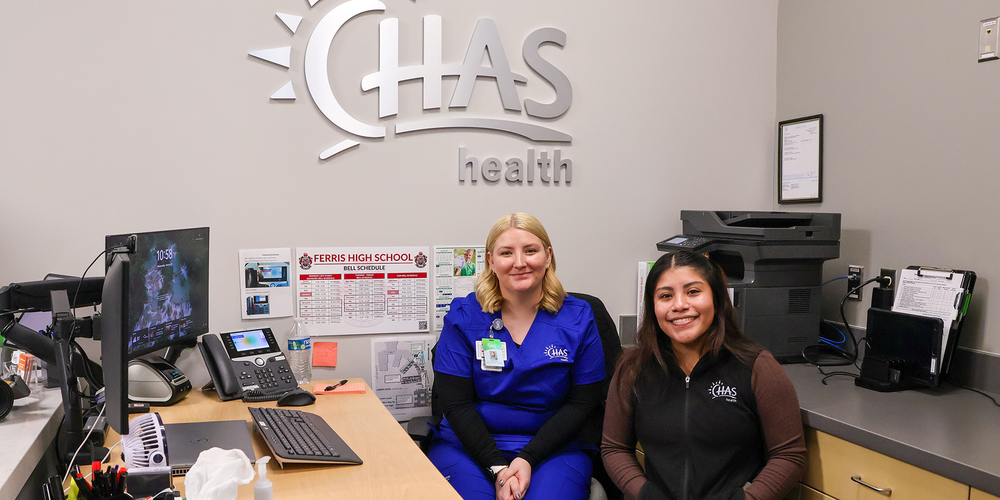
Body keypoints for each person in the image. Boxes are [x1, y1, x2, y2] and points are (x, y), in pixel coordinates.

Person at [602, 251, 806, 500]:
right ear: (653, 306)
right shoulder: (633, 370)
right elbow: (614, 448)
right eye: (666, 296)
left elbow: (789, 455)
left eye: (693, 292)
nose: (679, 305)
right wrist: (645, 494)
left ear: (717, 299)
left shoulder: (757, 367)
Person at [430, 212, 606, 500]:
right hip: (468, 446)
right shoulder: (464, 316)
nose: (520, 262)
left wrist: (527, 459)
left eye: (531, 250)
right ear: (491, 260)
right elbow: (455, 404)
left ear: (548, 256)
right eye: (506, 253)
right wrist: (499, 468)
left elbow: (582, 403)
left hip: (552, 448)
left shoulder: (578, 317)